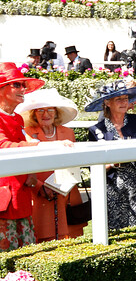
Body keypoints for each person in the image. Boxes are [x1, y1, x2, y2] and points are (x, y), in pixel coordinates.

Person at [17, 88, 86, 242]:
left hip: (67, 193)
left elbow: (74, 163)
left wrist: (64, 184)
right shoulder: (27, 133)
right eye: (40, 110)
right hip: (41, 194)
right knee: (43, 238)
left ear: (56, 112)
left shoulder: (68, 133)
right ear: (34, 113)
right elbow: (25, 166)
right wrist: (40, 186)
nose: (45, 114)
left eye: (50, 109)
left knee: (72, 240)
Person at [86, 80, 136, 230]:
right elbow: (94, 168)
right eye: (119, 99)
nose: (124, 102)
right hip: (113, 187)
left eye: (126, 98)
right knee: (117, 231)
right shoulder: (97, 130)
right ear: (107, 102)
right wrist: (114, 163)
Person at [0, 63, 45, 250]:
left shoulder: (17, 118)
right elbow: (3, 145)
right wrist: (38, 145)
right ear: (2, 89)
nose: (23, 89)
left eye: (23, 85)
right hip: (4, 196)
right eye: (16, 85)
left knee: (26, 250)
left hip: (21, 192)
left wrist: (30, 173)